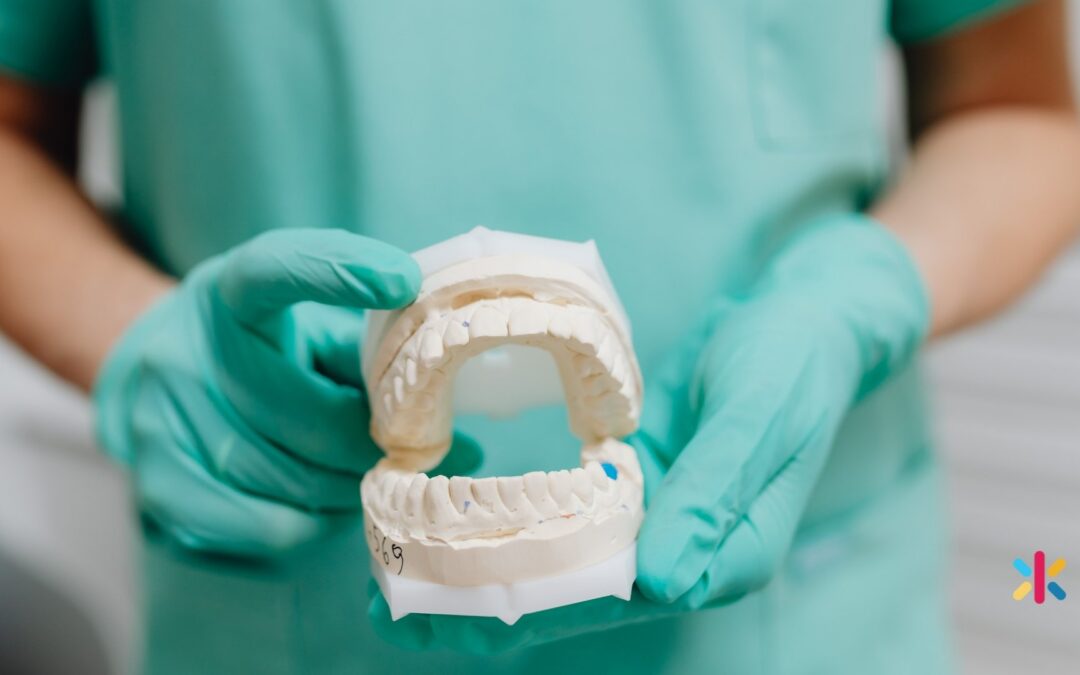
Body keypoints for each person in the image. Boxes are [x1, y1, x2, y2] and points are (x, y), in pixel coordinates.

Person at [1, 1, 1078, 673]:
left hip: (804, 627)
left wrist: (864, 292)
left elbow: (1021, 104)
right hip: (291, 624)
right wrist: (133, 339)